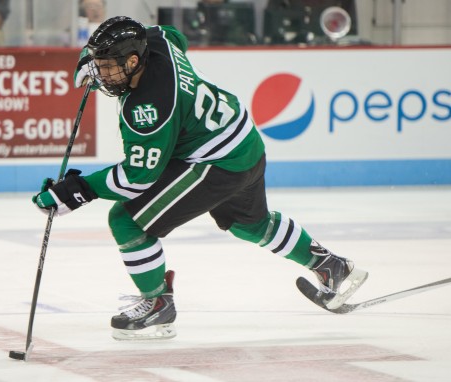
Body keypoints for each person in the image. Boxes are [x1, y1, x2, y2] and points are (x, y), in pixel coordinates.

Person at [32, 16, 368, 340]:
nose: (103, 75)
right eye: (100, 65)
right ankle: (329, 265)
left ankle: (157, 304)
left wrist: (76, 191)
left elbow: (137, 178)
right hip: (244, 142)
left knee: (126, 220)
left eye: (108, 67)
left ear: (133, 60)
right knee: (249, 224)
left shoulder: (149, 105)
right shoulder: (157, 41)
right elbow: (176, 35)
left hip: (216, 162)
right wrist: (91, 58)